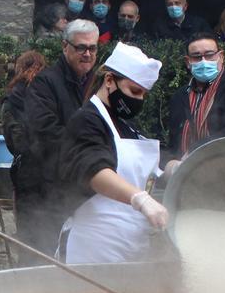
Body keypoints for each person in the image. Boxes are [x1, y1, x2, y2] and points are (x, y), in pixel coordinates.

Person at [59, 44, 168, 263]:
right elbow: (94, 170)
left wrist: (175, 168)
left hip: (130, 245)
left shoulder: (127, 126)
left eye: (144, 94)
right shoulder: (87, 120)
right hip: (93, 246)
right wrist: (140, 199)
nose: (138, 100)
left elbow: (150, 171)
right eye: (134, 91)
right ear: (109, 80)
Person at [19, 19, 99, 257]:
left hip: (83, 186)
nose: (87, 54)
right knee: (42, 255)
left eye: (92, 48)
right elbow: (44, 130)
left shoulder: (98, 84)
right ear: (65, 47)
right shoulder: (45, 83)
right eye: (80, 48)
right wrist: (87, 149)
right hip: (46, 186)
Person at [165, 33, 225, 164]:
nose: (204, 61)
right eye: (197, 57)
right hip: (186, 173)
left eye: (209, 55)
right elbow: (174, 141)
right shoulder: (179, 96)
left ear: (221, 57)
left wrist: (196, 149)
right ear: (188, 62)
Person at [2, 49, 47, 159]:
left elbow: (14, 139)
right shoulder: (51, 92)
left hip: (26, 164)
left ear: (19, 69)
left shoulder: (12, 98)